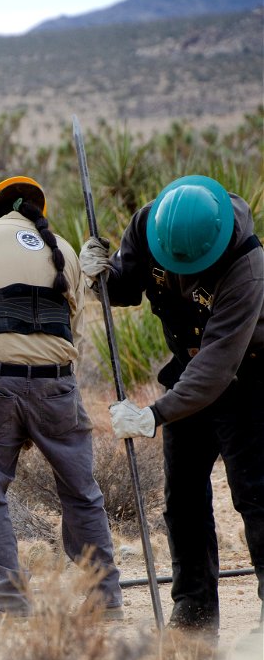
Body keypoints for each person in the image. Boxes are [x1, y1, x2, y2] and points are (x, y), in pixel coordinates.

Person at [79, 174, 264, 636]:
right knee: (181, 498)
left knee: (255, 498)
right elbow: (125, 287)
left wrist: (153, 415)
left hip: (251, 377)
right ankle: (194, 616)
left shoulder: (247, 264)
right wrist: (100, 275)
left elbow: (218, 366)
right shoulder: (149, 225)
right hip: (188, 367)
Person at [0, 176, 123, 621]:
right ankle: (106, 599)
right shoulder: (62, 248)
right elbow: (75, 332)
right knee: (82, 493)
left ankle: (12, 603)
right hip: (57, 383)